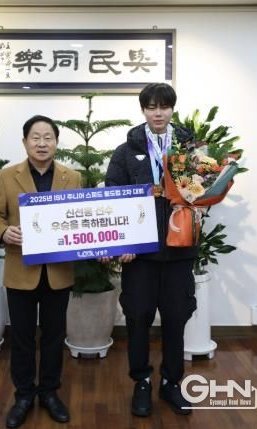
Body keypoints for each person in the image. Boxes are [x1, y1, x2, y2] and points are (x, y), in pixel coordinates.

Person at [104, 83, 197, 416]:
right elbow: (113, 196)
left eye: (164, 106)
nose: (158, 113)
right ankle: (141, 381)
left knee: (176, 317)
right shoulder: (125, 151)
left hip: (179, 250)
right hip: (140, 255)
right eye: (152, 107)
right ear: (143, 109)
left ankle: (171, 382)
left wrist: (199, 204)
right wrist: (124, 242)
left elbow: (205, 189)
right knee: (138, 316)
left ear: (172, 108)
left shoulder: (191, 149)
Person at [0, 115, 82, 428]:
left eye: (48, 137)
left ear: (56, 142)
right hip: (20, 271)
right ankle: (24, 395)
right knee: (22, 338)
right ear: (25, 142)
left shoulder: (72, 177)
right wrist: (3, 232)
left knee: (54, 337)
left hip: (58, 271)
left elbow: (80, 217)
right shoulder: (6, 176)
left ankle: (50, 392)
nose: (42, 143)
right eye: (35, 137)